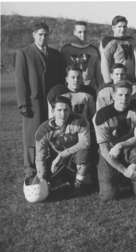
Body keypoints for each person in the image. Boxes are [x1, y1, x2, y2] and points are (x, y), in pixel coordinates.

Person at [15, 22, 65, 180]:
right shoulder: (24, 53)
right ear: (34, 35)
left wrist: (59, 101)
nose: (43, 37)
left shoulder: (55, 54)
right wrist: (23, 104)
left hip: (51, 103)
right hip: (33, 103)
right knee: (32, 136)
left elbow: (60, 80)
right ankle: (30, 170)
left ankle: (48, 167)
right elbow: (20, 80)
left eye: (46, 34)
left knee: (51, 134)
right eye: (40, 34)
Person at [93, 82, 136, 201]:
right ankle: (122, 177)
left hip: (130, 147)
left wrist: (121, 144)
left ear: (132, 95)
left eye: (127, 95)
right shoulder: (102, 116)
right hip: (110, 152)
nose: (124, 98)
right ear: (113, 95)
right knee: (108, 195)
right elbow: (104, 150)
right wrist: (124, 171)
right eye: (120, 95)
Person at [35, 96, 91, 193]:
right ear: (53, 111)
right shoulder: (43, 131)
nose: (63, 114)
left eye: (66, 110)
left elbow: (85, 143)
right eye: (59, 110)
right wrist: (41, 176)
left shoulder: (80, 121)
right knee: (48, 180)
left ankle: (78, 185)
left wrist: (62, 155)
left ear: (70, 110)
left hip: (74, 155)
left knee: (83, 153)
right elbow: (40, 156)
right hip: (56, 159)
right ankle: (67, 177)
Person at [61, 21, 103, 91]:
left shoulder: (93, 50)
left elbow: (98, 74)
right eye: (79, 32)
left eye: (85, 32)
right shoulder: (66, 49)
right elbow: (62, 72)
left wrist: (100, 88)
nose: (83, 35)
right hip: (71, 89)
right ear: (74, 32)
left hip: (89, 88)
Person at [100, 15, 135, 83]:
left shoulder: (131, 41)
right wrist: (108, 82)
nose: (122, 29)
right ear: (113, 28)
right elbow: (105, 63)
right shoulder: (110, 42)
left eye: (124, 26)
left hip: (130, 79)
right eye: (119, 27)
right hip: (117, 79)